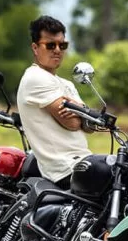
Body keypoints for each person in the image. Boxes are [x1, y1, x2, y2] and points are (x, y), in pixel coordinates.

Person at [16, 16, 93, 188]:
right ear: (35, 48)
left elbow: (91, 126)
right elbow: (73, 123)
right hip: (64, 168)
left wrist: (80, 110)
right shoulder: (35, 77)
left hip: (82, 160)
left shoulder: (67, 84)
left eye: (62, 45)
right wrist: (83, 113)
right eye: (50, 45)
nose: (57, 50)